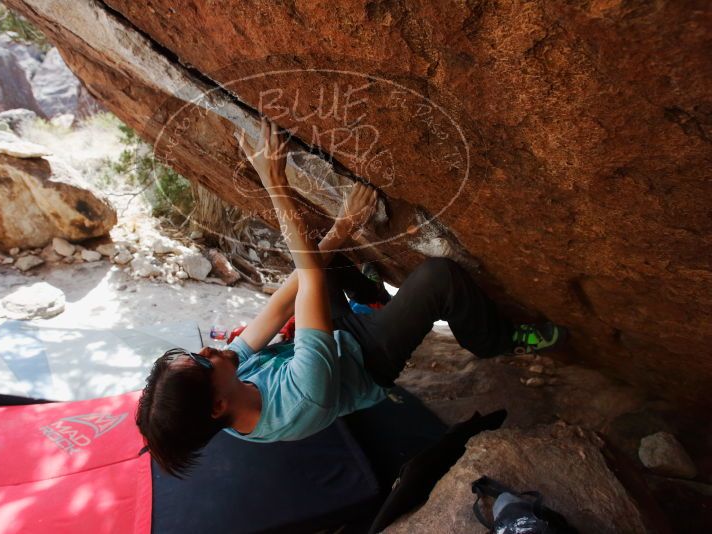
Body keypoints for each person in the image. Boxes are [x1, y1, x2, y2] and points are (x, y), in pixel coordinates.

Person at [136, 118, 567, 477]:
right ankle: (494, 340)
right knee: (439, 278)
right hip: (367, 360)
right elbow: (306, 283)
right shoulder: (300, 400)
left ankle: (371, 294)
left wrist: (343, 229)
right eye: (199, 360)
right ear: (217, 406)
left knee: (322, 258)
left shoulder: (225, 382)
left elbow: (282, 302)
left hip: (331, 339)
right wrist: (277, 183)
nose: (208, 349)